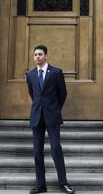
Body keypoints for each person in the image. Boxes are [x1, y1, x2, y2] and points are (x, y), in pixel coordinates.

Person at [26, 45, 74, 194]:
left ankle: (63, 183)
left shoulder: (56, 73)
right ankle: (40, 185)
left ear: (46, 56)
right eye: (35, 55)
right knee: (37, 151)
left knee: (55, 148)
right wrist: (40, 108)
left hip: (52, 115)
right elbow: (33, 94)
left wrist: (53, 108)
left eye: (40, 54)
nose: (37, 57)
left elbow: (62, 94)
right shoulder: (31, 75)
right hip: (36, 117)